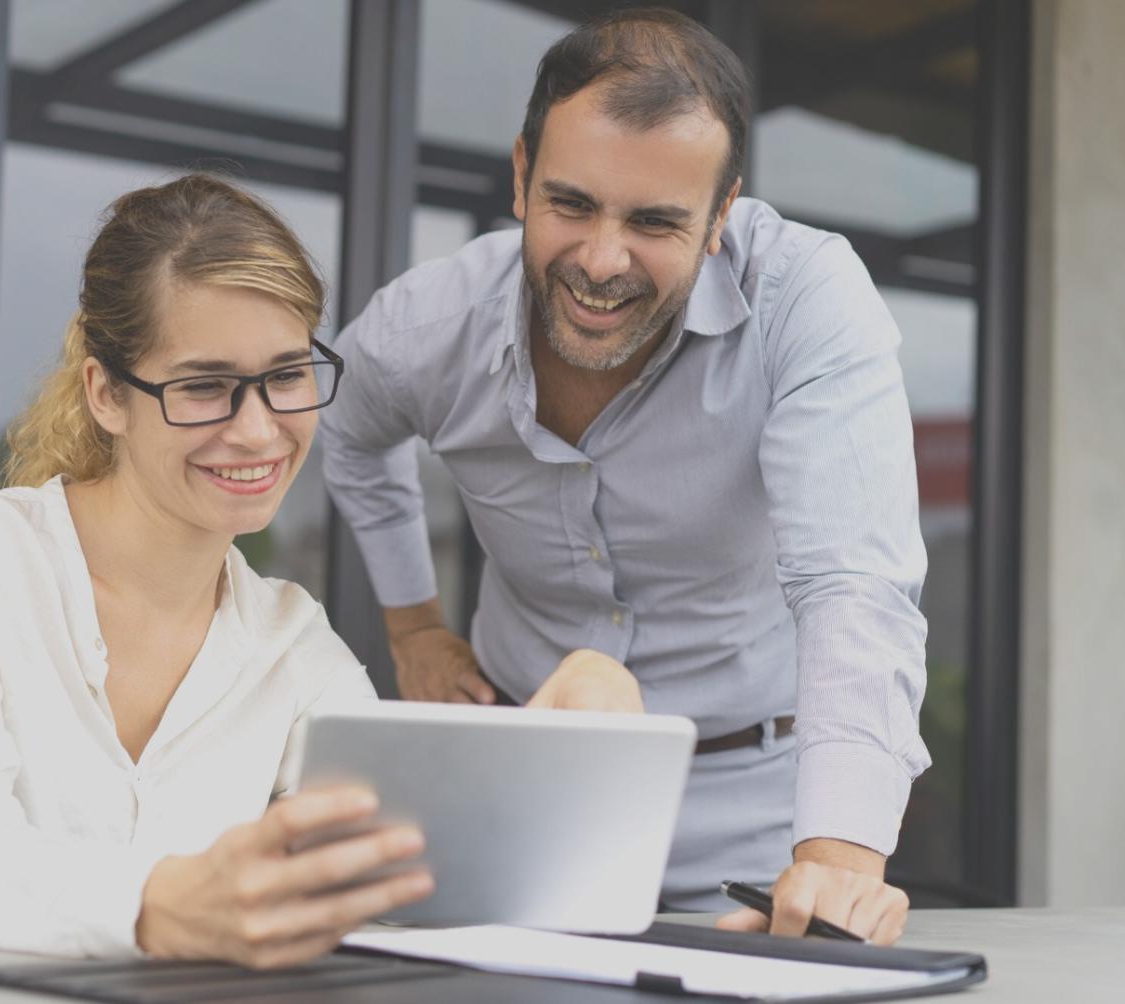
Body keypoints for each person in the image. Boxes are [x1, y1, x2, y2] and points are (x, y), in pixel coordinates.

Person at [318, 8, 927, 946]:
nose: (601, 262)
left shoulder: (805, 295)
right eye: (571, 204)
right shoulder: (420, 329)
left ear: (721, 216)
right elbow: (352, 441)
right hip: (527, 786)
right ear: (521, 177)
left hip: (757, 807)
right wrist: (413, 628)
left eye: (652, 222)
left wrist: (838, 862)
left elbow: (852, 579)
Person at [0, 175, 450, 965]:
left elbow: (411, 876)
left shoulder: (293, 645)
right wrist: (164, 905)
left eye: (286, 375)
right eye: (205, 386)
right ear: (106, 394)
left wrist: (572, 730)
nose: (258, 429)